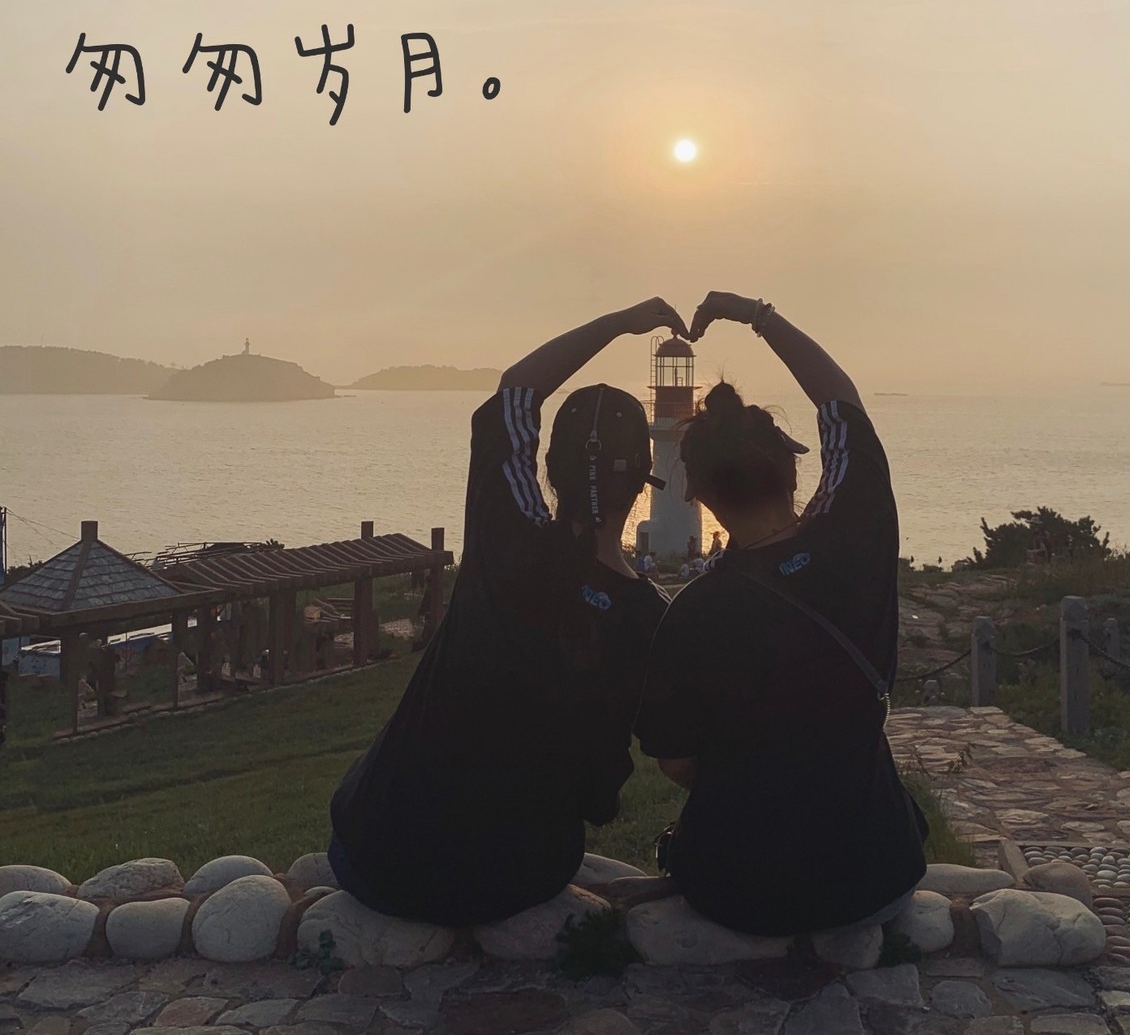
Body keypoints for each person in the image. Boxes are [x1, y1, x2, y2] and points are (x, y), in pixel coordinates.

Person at [328, 298, 682, 927]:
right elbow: (621, 781)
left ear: (549, 470)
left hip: (374, 854)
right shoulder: (649, 621)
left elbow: (515, 390)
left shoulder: (508, 537)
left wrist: (619, 323)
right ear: (643, 480)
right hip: (515, 877)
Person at [636, 291, 928, 937]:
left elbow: (677, 763)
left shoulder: (691, 615)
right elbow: (841, 403)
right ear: (792, 470)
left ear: (698, 492)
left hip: (739, 891)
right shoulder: (858, 538)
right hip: (875, 875)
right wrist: (757, 316)